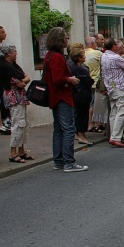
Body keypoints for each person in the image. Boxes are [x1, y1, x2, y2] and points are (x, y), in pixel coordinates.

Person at [44, 27, 87, 172]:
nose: (67, 40)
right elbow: (57, 79)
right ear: (59, 39)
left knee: (59, 130)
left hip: (55, 97)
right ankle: (69, 162)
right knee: (68, 129)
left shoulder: (49, 55)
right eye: (65, 37)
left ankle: (59, 160)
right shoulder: (56, 57)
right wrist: (70, 79)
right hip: (62, 96)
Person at [0, 43, 32, 163]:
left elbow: (26, 77)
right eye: (14, 51)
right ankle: (12, 152)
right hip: (14, 98)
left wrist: (23, 80)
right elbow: (20, 82)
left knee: (24, 123)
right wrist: (23, 80)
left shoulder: (13, 65)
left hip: (20, 96)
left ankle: (21, 150)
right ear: (8, 53)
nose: (16, 53)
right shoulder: (4, 66)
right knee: (17, 123)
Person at [101, 38, 124, 148]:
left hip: (110, 87)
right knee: (121, 112)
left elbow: (120, 60)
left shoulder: (104, 56)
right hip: (119, 86)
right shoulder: (115, 57)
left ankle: (113, 135)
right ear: (114, 46)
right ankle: (115, 137)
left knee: (114, 112)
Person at [66, 43, 94, 147]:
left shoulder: (72, 67)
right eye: (83, 55)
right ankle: (82, 135)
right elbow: (89, 80)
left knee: (79, 114)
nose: (85, 57)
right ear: (79, 58)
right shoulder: (81, 69)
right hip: (82, 95)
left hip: (78, 94)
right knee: (82, 116)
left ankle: (81, 134)